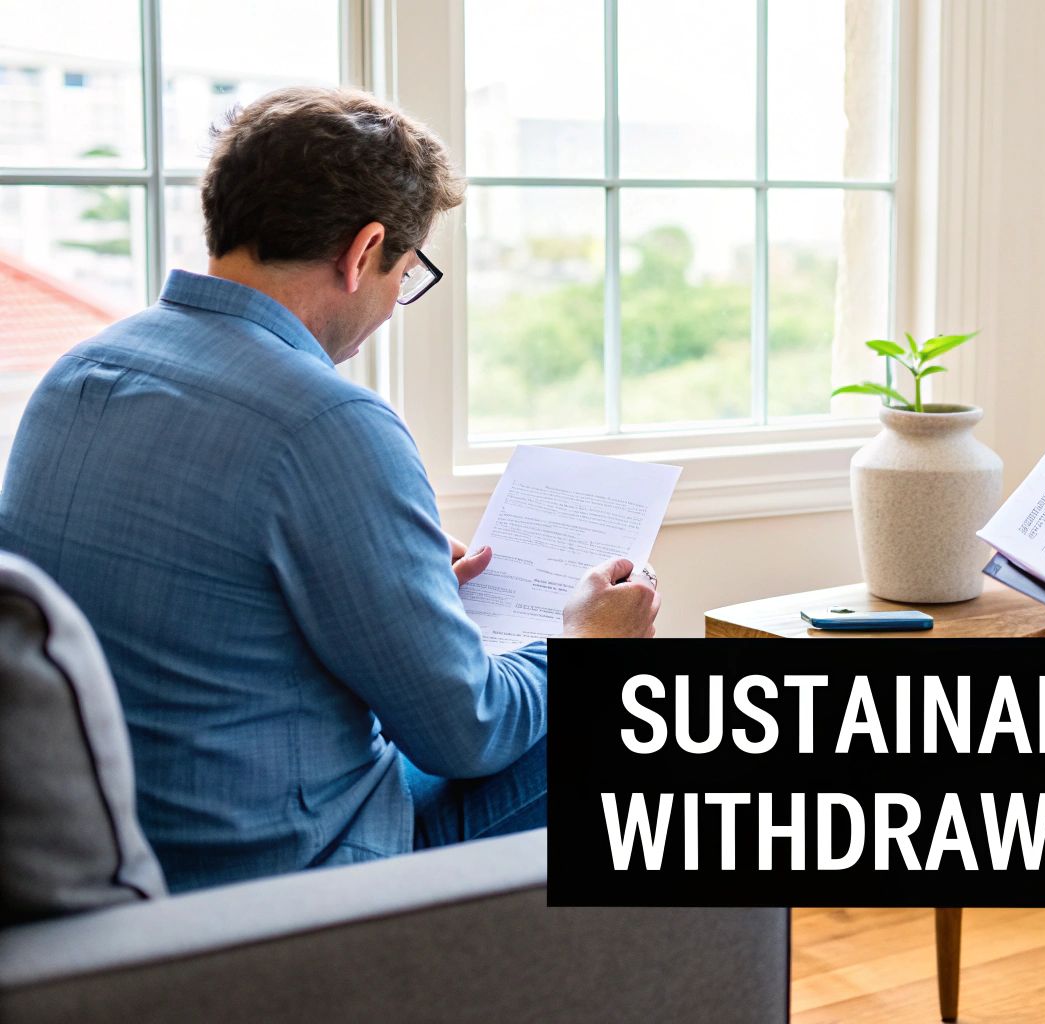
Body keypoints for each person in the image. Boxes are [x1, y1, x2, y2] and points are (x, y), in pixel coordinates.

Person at [0, 87, 659, 893]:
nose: (393, 303)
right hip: (285, 868)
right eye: (405, 273)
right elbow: (467, 734)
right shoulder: (329, 422)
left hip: (134, 841)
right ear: (363, 250)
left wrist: (397, 594)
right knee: (644, 719)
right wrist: (587, 643)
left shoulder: (78, 374)